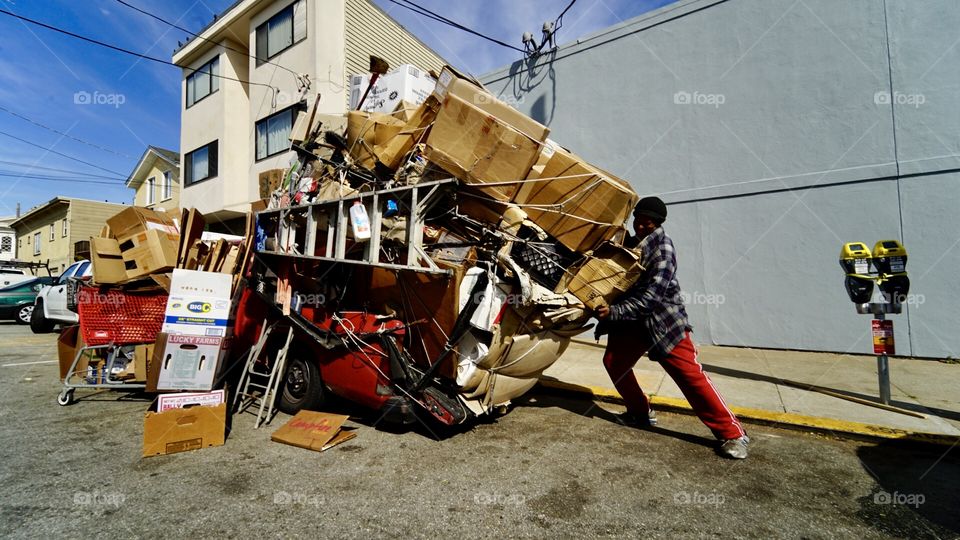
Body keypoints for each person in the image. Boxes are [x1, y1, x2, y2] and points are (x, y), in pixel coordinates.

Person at [596, 196, 750, 459]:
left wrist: (615, 312)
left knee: (690, 376)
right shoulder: (631, 244)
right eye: (639, 221)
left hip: (664, 323)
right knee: (614, 363)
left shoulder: (663, 249)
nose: (642, 227)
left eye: (648, 224)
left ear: (658, 223)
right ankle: (640, 413)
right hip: (633, 322)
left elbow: (651, 298)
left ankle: (733, 434)